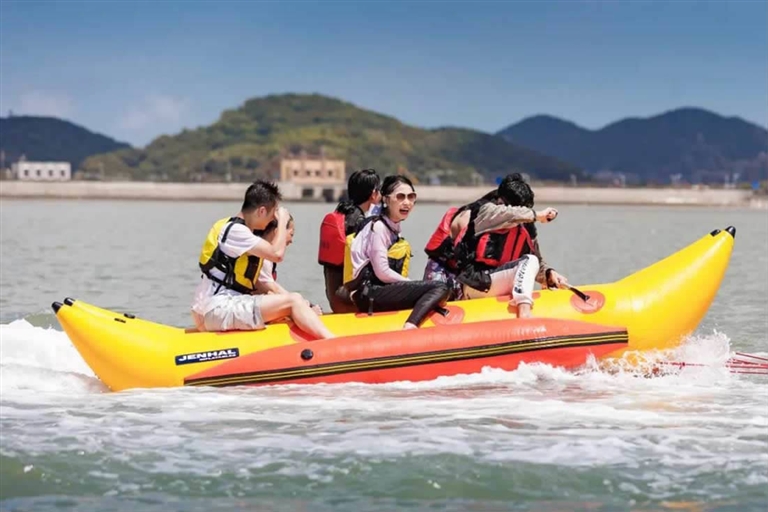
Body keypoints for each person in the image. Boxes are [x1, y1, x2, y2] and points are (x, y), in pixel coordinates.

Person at [191, 180, 335, 339]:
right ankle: (331, 341)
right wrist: (282, 222)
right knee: (293, 300)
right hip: (218, 309)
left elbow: (262, 284)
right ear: (261, 211)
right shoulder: (236, 231)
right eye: (272, 215)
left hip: (218, 308)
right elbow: (277, 254)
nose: (271, 221)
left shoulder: (235, 229)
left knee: (291, 301)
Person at [422, 173, 567, 319]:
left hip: (492, 281)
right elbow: (505, 214)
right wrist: (538, 215)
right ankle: (524, 314)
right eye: (520, 210)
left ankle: (520, 308)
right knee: (437, 295)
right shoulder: (482, 215)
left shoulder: (525, 224)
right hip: (460, 278)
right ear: (501, 202)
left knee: (531, 260)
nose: (521, 217)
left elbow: (535, 261)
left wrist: (548, 274)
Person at [342, 175, 451, 330]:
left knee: (438, 288)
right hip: (369, 293)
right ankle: (411, 325)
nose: (407, 202)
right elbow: (382, 272)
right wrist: (410, 283)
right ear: (386, 200)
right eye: (400, 197)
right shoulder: (379, 228)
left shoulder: (392, 227)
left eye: (411, 197)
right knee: (440, 287)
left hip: (379, 290)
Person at [318, 168, 382, 313]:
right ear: (373, 194)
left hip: (334, 297)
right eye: (379, 190)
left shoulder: (341, 213)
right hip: (349, 301)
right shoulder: (359, 222)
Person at [256, 215, 324, 317]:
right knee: (297, 302)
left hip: (252, 302)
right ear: (277, 232)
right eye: (291, 234)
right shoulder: (262, 255)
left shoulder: (261, 249)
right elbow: (271, 289)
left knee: (297, 299)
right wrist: (304, 307)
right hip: (250, 305)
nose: (291, 240)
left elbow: (272, 286)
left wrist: (301, 301)